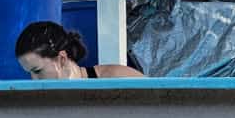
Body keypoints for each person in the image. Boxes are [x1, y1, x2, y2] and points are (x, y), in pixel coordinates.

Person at [15, 21, 144, 80]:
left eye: (38, 71)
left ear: (62, 59)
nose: (34, 80)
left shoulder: (117, 78)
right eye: (29, 74)